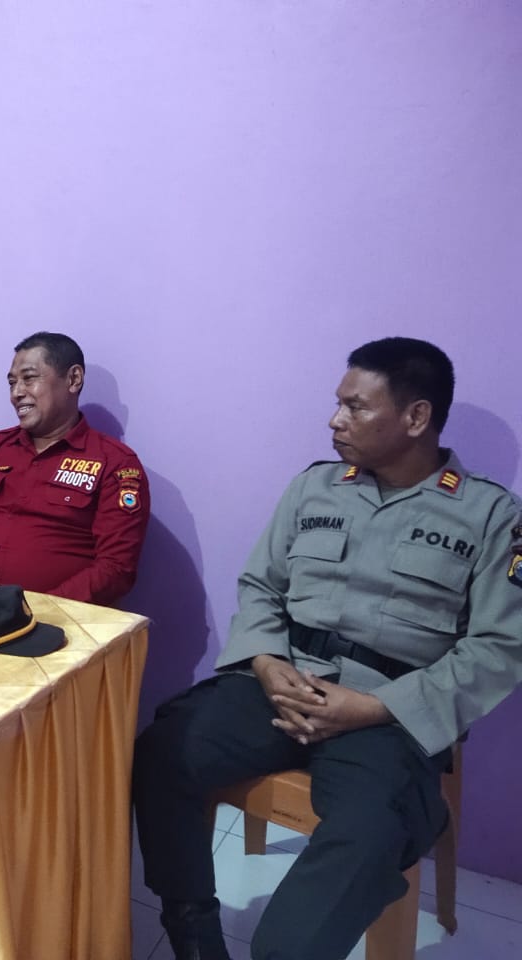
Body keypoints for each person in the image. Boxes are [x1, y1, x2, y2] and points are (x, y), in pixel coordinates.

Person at [133, 337, 522, 960]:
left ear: (416, 417)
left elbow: (500, 648)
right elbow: (261, 585)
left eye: (355, 407)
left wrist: (374, 708)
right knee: (163, 749)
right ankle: (193, 934)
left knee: (371, 833)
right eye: (339, 404)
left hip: (389, 715)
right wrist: (266, 664)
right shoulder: (315, 487)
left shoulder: (490, 515)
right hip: (279, 685)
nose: (335, 420)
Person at [0, 331, 150, 605]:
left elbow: (116, 568)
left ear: (73, 379)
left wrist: (36, 610)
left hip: (54, 620)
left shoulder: (114, 463)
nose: (16, 393)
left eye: (29, 378)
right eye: (12, 383)